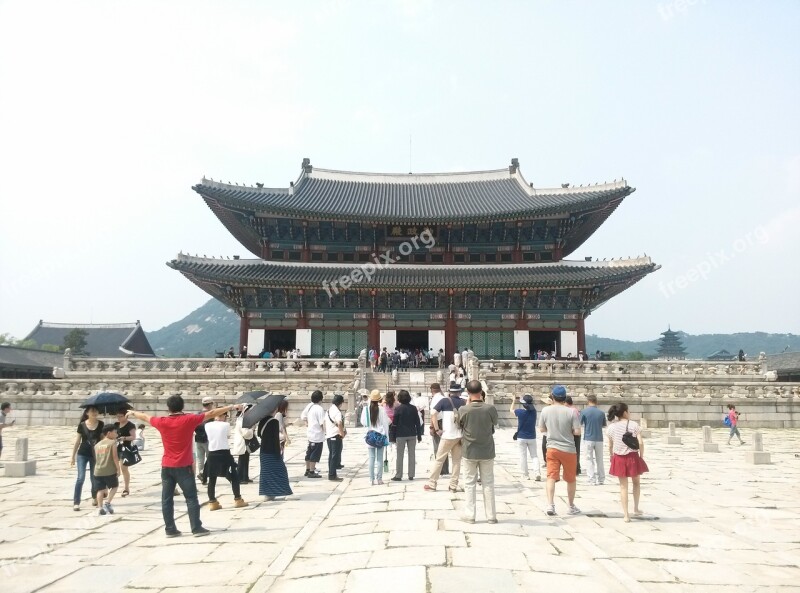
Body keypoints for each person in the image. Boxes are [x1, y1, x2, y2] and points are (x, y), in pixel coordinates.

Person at [126, 396, 239, 537]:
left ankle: (170, 528)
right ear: (182, 406)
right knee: (191, 498)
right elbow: (211, 414)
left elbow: (146, 417)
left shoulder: (162, 421)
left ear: (168, 408)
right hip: (184, 466)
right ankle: (196, 528)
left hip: (167, 466)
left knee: (166, 499)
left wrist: (132, 413)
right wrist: (231, 407)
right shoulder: (189, 419)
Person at [458, 380, 499, 523]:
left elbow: (459, 424)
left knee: (469, 483)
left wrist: (467, 404)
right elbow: (495, 423)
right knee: (488, 483)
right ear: (481, 391)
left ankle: (470, 515)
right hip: (487, 449)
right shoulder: (490, 408)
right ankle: (491, 516)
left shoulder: (464, 409)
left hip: (469, 450)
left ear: (468, 393)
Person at [538, 385, 581, 517]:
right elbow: (577, 432)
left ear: (552, 396)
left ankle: (550, 505)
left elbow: (541, 429)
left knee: (551, 476)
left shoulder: (545, 410)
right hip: (568, 449)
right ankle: (571, 505)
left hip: (552, 448)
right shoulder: (571, 412)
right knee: (571, 479)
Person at [607, 402, 649, 522]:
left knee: (623, 487)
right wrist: (641, 456)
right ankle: (635, 508)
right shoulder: (634, 425)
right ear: (625, 412)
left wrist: (611, 455)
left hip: (619, 457)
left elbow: (610, 445)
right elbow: (640, 443)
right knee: (636, 483)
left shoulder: (611, 428)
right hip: (632, 457)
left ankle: (626, 515)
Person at [424, 382, 466, 492]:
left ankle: (432, 483)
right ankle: (453, 485)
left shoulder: (444, 401)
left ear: (450, 392)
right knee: (456, 461)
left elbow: (433, 413)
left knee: (439, 460)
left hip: (448, 435)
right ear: (459, 392)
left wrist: (437, 429)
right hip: (459, 436)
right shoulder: (464, 402)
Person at [203, 409, 248, 510]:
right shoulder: (225, 425)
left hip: (212, 454)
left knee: (212, 479)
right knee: (234, 476)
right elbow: (227, 435)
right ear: (223, 415)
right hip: (224, 453)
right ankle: (237, 499)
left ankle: (212, 502)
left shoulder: (207, 425)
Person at [71, 406, 103, 511]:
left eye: (96, 410)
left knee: (94, 477)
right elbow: (77, 441)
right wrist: (72, 456)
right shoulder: (82, 425)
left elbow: (102, 440)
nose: (94, 413)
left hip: (95, 455)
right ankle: (76, 502)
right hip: (82, 454)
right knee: (81, 478)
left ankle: (94, 497)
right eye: (92, 411)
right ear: (87, 413)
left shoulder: (101, 424)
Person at [258, 406, 293, 501]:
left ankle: (268, 493)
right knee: (280, 471)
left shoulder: (262, 421)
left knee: (266, 473)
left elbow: (259, 434)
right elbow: (275, 438)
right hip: (272, 451)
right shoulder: (274, 422)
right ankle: (282, 491)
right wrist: (278, 451)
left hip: (264, 450)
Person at [391, 390, 422, 481]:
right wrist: (419, 435)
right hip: (412, 434)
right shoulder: (413, 408)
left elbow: (394, 424)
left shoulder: (398, 409)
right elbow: (417, 423)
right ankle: (411, 474)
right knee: (412, 455)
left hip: (400, 434)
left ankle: (399, 475)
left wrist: (392, 437)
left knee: (400, 455)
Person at [361, 390, 390, 485]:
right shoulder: (381, 409)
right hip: (380, 435)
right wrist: (387, 436)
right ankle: (379, 479)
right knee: (379, 458)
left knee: (371, 458)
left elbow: (363, 422)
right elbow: (385, 423)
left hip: (370, 436)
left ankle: (371, 479)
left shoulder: (366, 409)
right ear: (379, 399)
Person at [510, 394, 540, 481]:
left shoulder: (520, 412)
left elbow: (511, 410)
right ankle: (537, 472)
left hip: (521, 437)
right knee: (534, 456)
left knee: (523, 456)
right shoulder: (534, 412)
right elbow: (531, 407)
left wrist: (513, 401)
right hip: (532, 437)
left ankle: (525, 475)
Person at [93, 425, 121, 516]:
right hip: (109, 470)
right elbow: (115, 457)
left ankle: (100, 507)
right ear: (109, 433)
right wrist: (118, 468)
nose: (116, 434)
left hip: (98, 470)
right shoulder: (112, 443)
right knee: (115, 486)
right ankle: (108, 502)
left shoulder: (97, 445)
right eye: (115, 432)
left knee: (100, 490)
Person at [580, 394, 607, 485]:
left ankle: (591, 478)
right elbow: (603, 425)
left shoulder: (584, 412)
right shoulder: (601, 413)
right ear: (596, 401)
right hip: (599, 438)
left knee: (589, 459)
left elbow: (580, 423)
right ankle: (601, 478)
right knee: (600, 459)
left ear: (588, 401)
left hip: (588, 437)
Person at [301, 390, 325, 478]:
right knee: (315, 453)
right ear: (321, 399)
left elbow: (303, 416)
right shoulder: (319, 409)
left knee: (309, 452)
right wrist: (326, 432)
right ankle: (311, 471)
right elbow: (322, 423)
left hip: (310, 433)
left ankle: (307, 469)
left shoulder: (310, 407)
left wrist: (306, 423)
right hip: (317, 434)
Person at [113, 410, 137, 497]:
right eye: (117, 416)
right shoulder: (116, 425)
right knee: (113, 467)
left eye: (121, 416)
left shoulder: (130, 425)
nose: (119, 418)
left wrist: (124, 438)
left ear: (125, 416)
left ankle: (126, 488)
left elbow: (133, 437)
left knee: (123, 468)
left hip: (125, 448)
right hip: (115, 447)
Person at [428, 383, 449, 476]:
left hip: (438, 423)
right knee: (444, 447)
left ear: (432, 390)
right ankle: (445, 468)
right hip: (446, 423)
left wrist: (432, 427)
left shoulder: (435, 399)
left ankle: (440, 469)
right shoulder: (444, 398)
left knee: (438, 447)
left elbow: (433, 415)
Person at [324, 394, 346, 481]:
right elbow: (339, 423)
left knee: (331, 455)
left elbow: (325, 422)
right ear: (340, 403)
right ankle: (332, 475)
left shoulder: (328, 410)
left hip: (329, 435)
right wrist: (342, 433)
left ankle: (332, 473)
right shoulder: (337, 411)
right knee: (334, 456)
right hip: (335, 435)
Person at [231, 404, 254, 484]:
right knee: (242, 460)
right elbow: (245, 433)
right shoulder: (241, 420)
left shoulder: (244, 419)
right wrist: (252, 430)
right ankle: (240, 477)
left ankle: (245, 477)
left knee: (246, 459)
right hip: (242, 442)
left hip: (245, 442)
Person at [194, 396, 215, 484]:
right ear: (210, 404)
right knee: (209, 457)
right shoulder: (211, 415)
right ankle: (204, 474)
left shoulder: (198, 414)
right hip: (208, 439)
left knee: (200, 458)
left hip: (198, 438)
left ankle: (201, 473)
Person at [565, 396, 582, 475]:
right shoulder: (575, 409)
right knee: (577, 451)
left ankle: (574, 468)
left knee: (571, 451)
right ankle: (577, 467)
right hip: (577, 432)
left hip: (572, 432)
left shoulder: (570, 410)